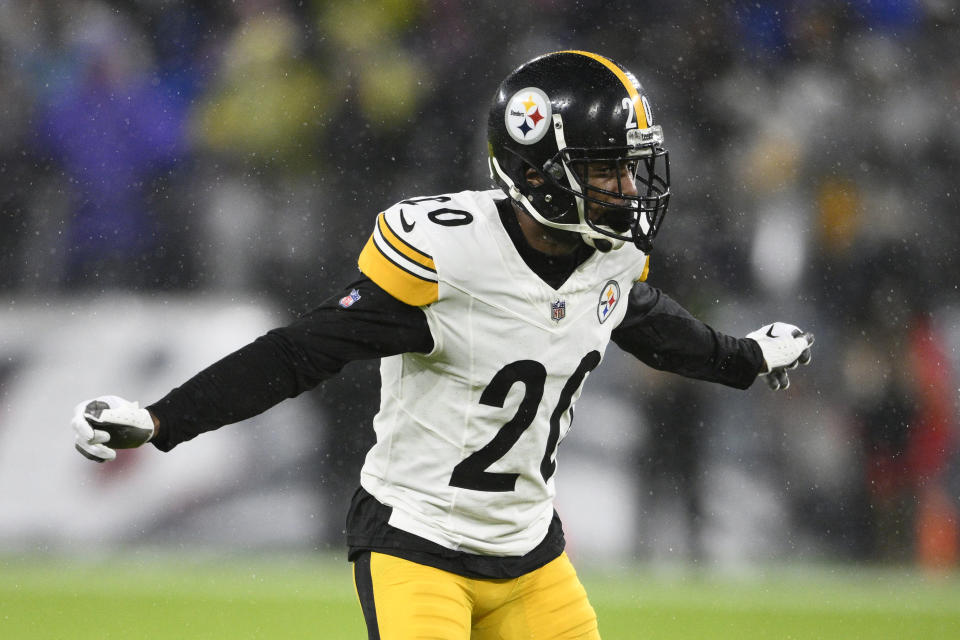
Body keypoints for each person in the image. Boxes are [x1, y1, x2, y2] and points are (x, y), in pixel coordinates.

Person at [71, 51, 814, 639]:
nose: (627, 186)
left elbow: (650, 324)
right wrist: (164, 420)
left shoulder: (608, 261)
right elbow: (300, 352)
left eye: (627, 165)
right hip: (416, 544)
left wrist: (745, 358)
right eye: (604, 168)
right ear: (540, 175)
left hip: (531, 554)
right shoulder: (449, 258)